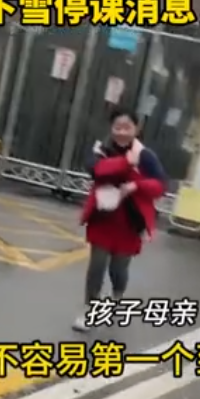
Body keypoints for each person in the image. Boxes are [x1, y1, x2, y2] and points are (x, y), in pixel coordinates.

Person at [72, 108, 167, 332]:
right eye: (117, 127)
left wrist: (136, 185)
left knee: (118, 269)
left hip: (130, 224)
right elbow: (96, 170)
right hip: (103, 219)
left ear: (136, 129)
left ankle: (116, 298)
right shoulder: (101, 149)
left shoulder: (145, 156)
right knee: (96, 267)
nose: (122, 132)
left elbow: (160, 186)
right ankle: (90, 310)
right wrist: (125, 163)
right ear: (111, 128)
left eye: (127, 128)